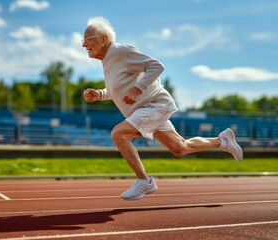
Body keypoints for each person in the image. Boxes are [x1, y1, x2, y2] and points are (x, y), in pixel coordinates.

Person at [82, 16, 243, 201]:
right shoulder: (108, 61)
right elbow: (118, 89)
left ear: (103, 38)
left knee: (119, 134)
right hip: (145, 110)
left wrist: (138, 89)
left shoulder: (120, 51)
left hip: (154, 106)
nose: (84, 45)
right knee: (179, 148)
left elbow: (156, 66)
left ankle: (144, 181)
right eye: (83, 41)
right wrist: (100, 94)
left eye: (88, 39)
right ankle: (222, 141)